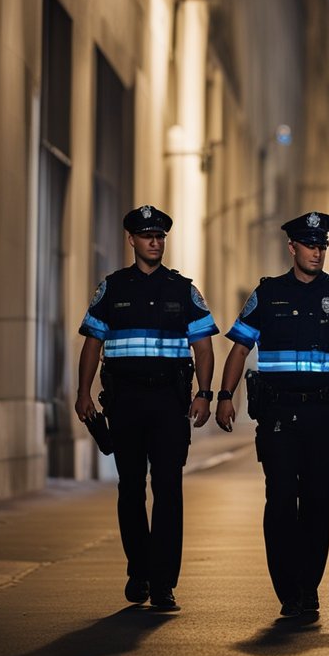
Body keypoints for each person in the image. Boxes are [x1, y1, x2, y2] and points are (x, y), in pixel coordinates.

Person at [215, 211, 329, 617]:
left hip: (324, 415)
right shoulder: (267, 296)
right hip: (279, 418)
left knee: (318, 503)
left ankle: (309, 586)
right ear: (292, 248)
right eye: (309, 244)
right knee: (282, 499)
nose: (317, 251)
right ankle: (287, 587)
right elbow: (239, 348)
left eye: (322, 245)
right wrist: (223, 395)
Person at [75, 205, 219, 610]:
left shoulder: (182, 289)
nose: (154, 242)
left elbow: (204, 348)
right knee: (130, 489)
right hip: (125, 403)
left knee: (169, 489)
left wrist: (204, 394)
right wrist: (83, 393)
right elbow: (92, 344)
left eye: (159, 236)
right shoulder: (113, 288)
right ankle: (139, 570)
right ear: (132, 240)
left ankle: (163, 583)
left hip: (168, 404)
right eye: (147, 236)